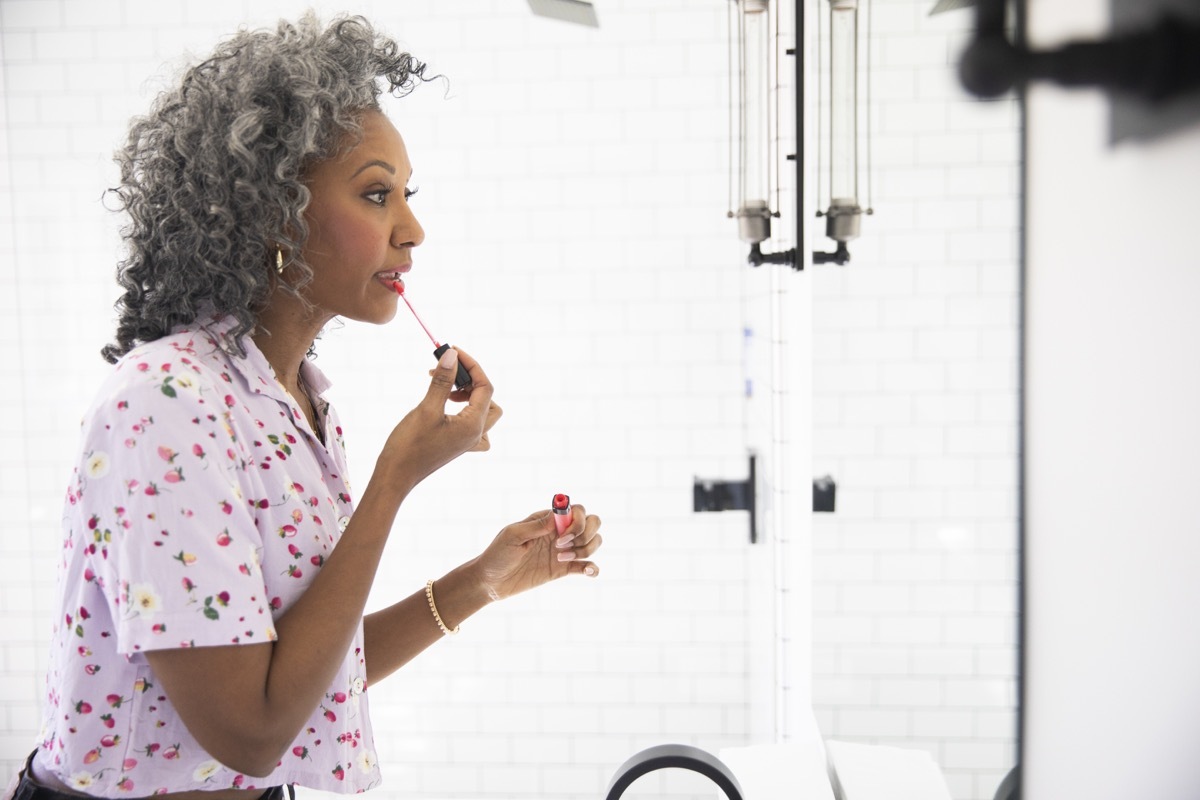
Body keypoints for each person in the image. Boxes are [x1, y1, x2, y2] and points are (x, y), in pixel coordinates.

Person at [10, 13, 602, 800]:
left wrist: (483, 579)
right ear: (272, 214)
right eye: (376, 195)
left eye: (405, 196)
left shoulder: (294, 404)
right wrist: (396, 477)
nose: (413, 229)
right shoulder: (165, 402)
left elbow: (303, 673)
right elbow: (251, 731)